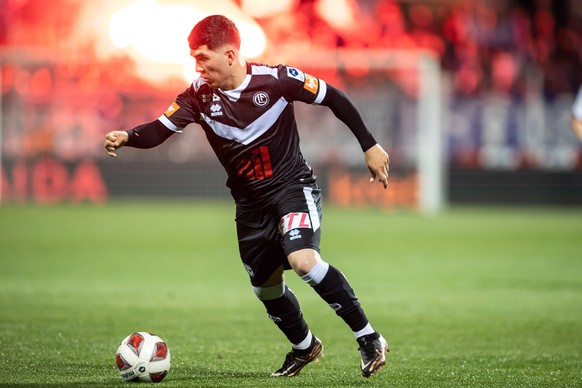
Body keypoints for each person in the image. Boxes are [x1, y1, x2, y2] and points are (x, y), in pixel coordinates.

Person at [104, 14, 390, 378]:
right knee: (266, 289)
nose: (197, 67)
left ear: (229, 55)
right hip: (250, 207)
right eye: (194, 59)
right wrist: (128, 136)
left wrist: (369, 144)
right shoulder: (197, 96)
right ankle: (305, 347)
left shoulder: (278, 80)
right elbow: (160, 130)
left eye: (202, 58)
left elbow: (334, 97)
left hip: (292, 189)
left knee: (303, 261)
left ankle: (369, 338)